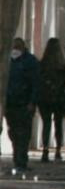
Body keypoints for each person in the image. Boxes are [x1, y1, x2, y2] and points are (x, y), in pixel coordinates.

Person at [5, 38, 40, 172]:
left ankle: (21, 161)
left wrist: (32, 101)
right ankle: (17, 158)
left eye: (17, 47)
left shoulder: (30, 62)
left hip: (25, 103)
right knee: (13, 132)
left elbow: (35, 83)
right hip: (11, 103)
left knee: (24, 134)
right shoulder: (8, 60)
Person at [37, 38, 65, 163]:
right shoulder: (63, 65)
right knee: (58, 124)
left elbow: (39, 80)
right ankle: (58, 150)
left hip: (45, 98)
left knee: (46, 124)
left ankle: (45, 150)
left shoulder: (42, 64)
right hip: (59, 98)